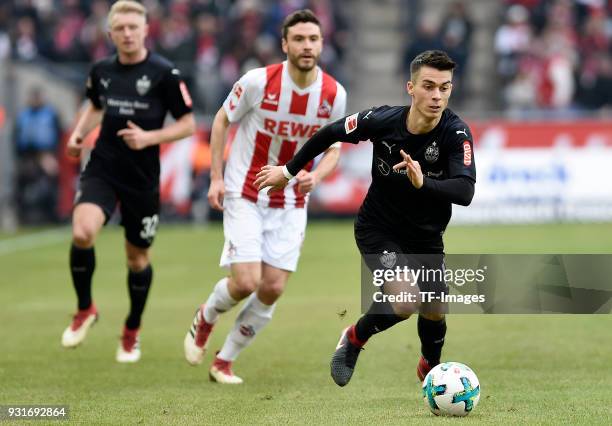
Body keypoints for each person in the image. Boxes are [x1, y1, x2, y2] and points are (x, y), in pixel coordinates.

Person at [255, 50, 476, 386]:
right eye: (428, 86)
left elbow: (465, 192)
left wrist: (423, 182)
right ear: (410, 88)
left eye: (444, 88)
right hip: (378, 228)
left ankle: (431, 365)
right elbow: (330, 133)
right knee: (404, 301)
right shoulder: (383, 121)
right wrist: (288, 171)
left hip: (426, 236)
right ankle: (355, 337)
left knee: (434, 308)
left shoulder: (455, 133)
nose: (436, 96)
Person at [183, 9, 347, 384]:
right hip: (246, 191)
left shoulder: (333, 94)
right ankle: (207, 316)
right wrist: (215, 178)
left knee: (272, 288)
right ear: (285, 44)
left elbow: (334, 148)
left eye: (314, 39)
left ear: (322, 44)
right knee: (245, 282)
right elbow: (223, 119)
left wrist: (316, 176)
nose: (307, 46)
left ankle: (224, 361)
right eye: (300, 39)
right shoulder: (257, 82)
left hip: (290, 202)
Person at [61, 0, 195, 363]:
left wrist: (149, 139)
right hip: (103, 167)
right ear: (110, 34)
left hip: (142, 177)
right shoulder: (101, 70)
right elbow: (96, 105)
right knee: (82, 232)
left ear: (146, 30)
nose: (127, 33)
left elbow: (188, 124)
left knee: (137, 259)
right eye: (120, 28)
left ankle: (131, 330)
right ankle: (85, 308)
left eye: (133, 27)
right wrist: (78, 134)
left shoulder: (165, 73)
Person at [13, 87, 62, 224]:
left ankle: (52, 214)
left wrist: (52, 154)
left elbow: (58, 134)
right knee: (20, 182)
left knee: (51, 179)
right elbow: (16, 136)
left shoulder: (51, 113)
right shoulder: (23, 115)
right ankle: (22, 215)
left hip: (46, 154)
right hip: (27, 155)